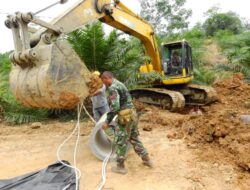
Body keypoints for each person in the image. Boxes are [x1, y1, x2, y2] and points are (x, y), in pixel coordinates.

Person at [101, 71, 153, 175]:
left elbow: (115, 107)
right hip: (132, 115)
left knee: (121, 140)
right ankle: (147, 160)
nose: (103, 83)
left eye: (103, 81)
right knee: (134, 138)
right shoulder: (120, 84)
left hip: (125, 118)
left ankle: (120, 167)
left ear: (106, 78)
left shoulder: (113, 88)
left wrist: (107, 121)